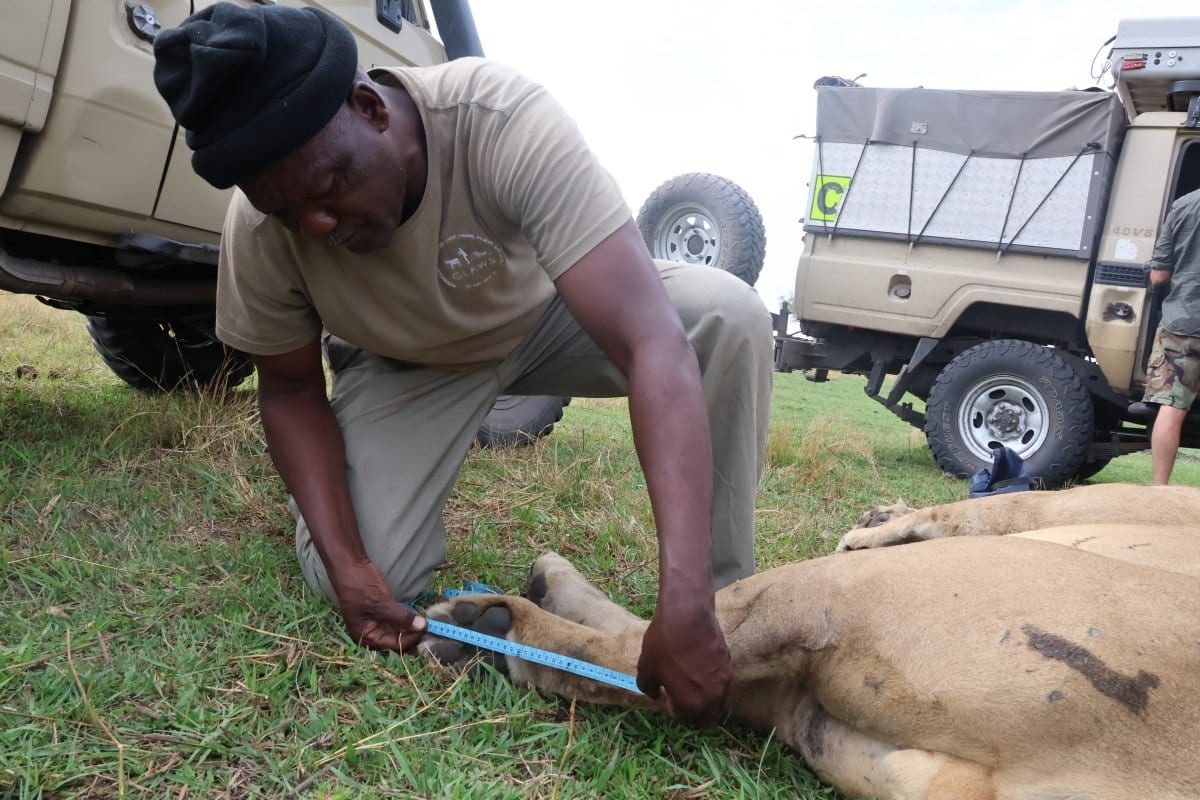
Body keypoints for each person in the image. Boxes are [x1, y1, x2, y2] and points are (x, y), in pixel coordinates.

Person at [152, 3, 773, 725]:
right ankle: (547, 583)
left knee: (726, 314)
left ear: (368, 107)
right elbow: (290, 391)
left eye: (326, 190)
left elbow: (650, 342)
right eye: (290, 214)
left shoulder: (498, 117)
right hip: (404, 365)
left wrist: (684, 595)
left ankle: (726, 607)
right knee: (352, 570)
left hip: (547, 316)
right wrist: (353, 569)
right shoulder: (262, 224)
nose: (316, 225)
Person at [1143, 187, 1200, 485]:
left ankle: (1159, 491)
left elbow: (1159, 275)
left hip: (1183, 325)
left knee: (1173, 407)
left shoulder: (1184, 205)